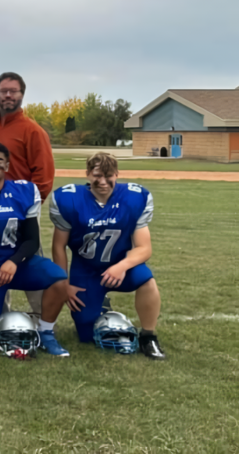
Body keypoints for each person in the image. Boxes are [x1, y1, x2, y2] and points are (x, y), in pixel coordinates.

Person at [0, 143, 71, 357]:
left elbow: (32, 241)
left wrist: (14, 261)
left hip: (19, 264)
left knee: (59, 277)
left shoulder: (23, 191)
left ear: (7, 165)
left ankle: (46, 332)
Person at [50, 153, 166, 360]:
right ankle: (100, 304)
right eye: (97, 176)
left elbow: (144, 248)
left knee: (147, 280)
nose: (102, 182)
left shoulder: (133, 198)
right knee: (86, 335)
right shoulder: (69, 199)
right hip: (85, 269)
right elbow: (58, 247)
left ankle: (149, 336)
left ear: (116, 174)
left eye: (108, 175)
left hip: (121, 265)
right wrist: (64, 284)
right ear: (87, 174)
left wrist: (122, 266)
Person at [0, 72, 55, 319]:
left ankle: (42, 318)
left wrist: (27, 210)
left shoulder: (32, 131)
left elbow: (44, 178)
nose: (7, 95)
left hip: (21, 211)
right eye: (3, 91)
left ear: (21, 95)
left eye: (13, 91)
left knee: (30, 260)